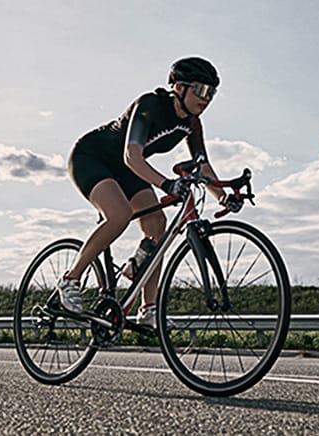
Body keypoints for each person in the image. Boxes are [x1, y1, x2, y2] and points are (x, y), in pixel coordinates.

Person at [60, 57, 242, 328]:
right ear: (179, 87)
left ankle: (148, 309)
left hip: (127, 169)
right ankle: (70, 279)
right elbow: (132, 156)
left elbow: (203, 166)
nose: (207, 98)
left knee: (157, 225)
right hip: (93, 157)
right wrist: (166, 184)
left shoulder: (192, 123)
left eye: (212, 93)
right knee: (119, 215)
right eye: (201, 90)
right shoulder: (150, 105)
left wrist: (223, 196)